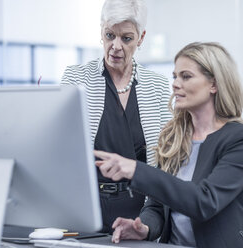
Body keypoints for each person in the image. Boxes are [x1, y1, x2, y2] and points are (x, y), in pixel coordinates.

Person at [94, 42, 243, 248]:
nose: (175, 84)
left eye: (186, 76)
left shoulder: (242, 140)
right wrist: (144, 228)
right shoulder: (174, 137)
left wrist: (137, 170)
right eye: (174, 76)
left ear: (214, 84)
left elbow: (204, 202)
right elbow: (157, 206)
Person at [61, 0, 171, 233]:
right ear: (101, 30)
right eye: (110, 35)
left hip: (141, 210)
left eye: (126, 38)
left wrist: (153, 219)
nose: (116, 46)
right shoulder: (76, 78)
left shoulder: (158, 86)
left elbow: (167, 161)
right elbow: (61, 146)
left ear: (141, 38)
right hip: (86, 206)